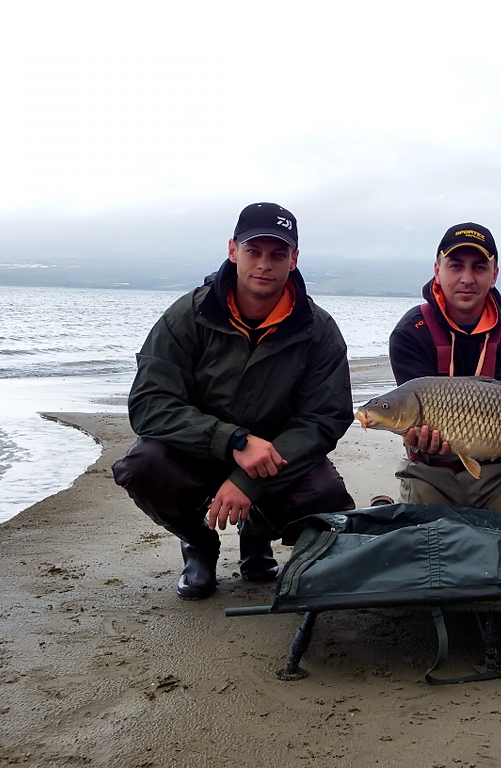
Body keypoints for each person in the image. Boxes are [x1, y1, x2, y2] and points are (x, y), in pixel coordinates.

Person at [112, 203, 355, 599]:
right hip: (199, 449)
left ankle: (256, 532)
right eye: (253, 251)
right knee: (143, 466)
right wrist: (233, 441)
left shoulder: (319, 330)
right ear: (232, 250)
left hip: (274, 459)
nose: (264, 264)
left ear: (294, 259)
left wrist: (248, 481)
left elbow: (324, 418)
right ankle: (198, 543)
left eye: (278, 254)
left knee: (325, 496)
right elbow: (149, 404)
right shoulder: (187, 316)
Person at [387, 222, 501, 512]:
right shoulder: (410, 332)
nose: (467, 278)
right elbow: (411, 414)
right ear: (437, 270)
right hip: (429, 469)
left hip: (500, 469)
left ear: (494, 275)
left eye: (479, 268)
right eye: (456, 266)